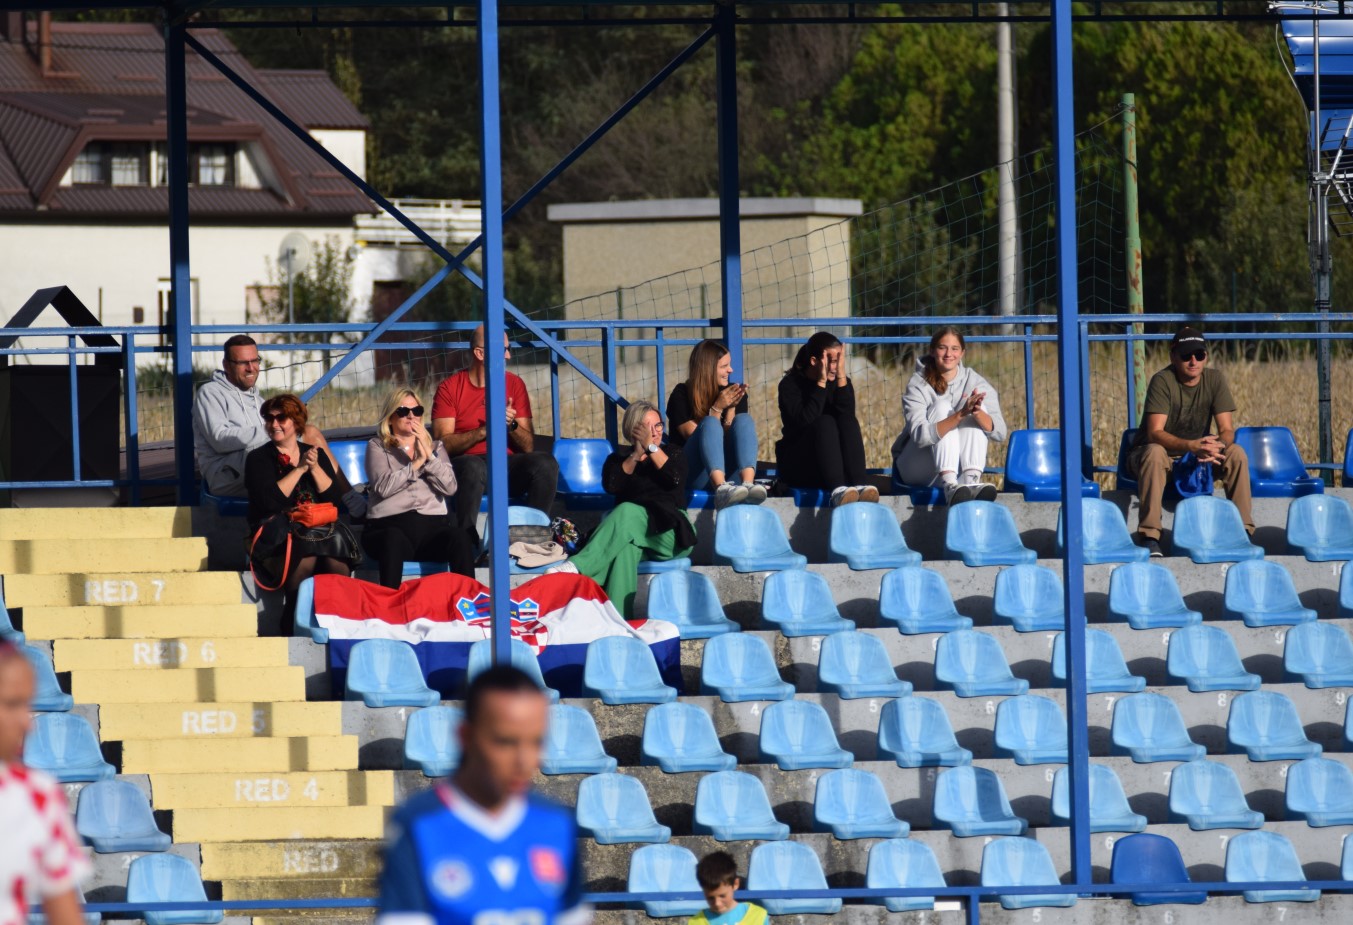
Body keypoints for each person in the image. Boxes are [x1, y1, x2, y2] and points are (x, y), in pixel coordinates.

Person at [377, 665, 589, 925]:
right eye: (505, 741)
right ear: (466, 737)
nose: (524, 760)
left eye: (536, 741)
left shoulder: (557, 824)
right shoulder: (418, 824)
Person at [1126, 327, 1253, 557]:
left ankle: (1243, 532)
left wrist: (1217, 446)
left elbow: (1226, 430)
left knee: (1236, 453)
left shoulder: (1215, 379)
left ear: (1206, 356)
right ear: (1173, 357)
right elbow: (1155, 433)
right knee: (1155, 453)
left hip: (1196, 456)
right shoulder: (1162, 381)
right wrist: (1192, 446)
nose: (1193, 361)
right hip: (1154, 455)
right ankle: (1150, 536)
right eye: (1186, 355)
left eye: (1199, 354)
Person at [560, 400, 695, 617]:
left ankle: (577, 567)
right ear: (633, 430)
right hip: (638, 537)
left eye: (658, 425)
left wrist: (651, 448)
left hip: (671, 533)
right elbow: (613, 485)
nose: (655, 432)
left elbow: (674, 477)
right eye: (647, 427)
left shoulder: (673, 453)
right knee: (624, 550)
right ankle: (618, 620)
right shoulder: (617, 460)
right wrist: (635, 455)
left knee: (626, 510)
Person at [193, 334, 358, 509]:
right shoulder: (210, 393)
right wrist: (274, 430)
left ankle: (341, 504)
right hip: (227, 475)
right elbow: (220, 440)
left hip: (256, 466)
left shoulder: (258, 400)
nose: (251, 368)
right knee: (308, 436)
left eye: (255, 361)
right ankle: (350, 501)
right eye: (243, 363)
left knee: (309, 451)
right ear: (226, 365)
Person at [432, 325, 559, 542]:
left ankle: (534, 537)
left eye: (509, 349)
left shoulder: (514, 384)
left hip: (505, 465)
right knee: (473, 467)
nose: (508, 356)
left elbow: (528, 446)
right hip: (465, 465)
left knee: (545, 464)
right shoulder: (450, 388)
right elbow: (442, 445)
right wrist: (485, 429)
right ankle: (466, 540)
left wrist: (510, 425)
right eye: (503, 350)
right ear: (480, 353)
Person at [244, 393, 357, 631]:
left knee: (333, 543)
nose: (274, 424)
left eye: (281, 418)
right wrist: (300, 469)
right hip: (276, 531)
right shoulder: (258, 459)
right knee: (306, 544)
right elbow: (268, 503)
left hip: (318, 529)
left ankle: (338, 616)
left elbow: (334, 500)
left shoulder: (315, 454)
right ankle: (293, 613)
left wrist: (314, 468)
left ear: (296, 422)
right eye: (269, 418)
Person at [0, 642, 91, 925]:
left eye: (26, 705)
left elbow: (65, 913)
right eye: (12, 704)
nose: (28, 724)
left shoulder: (36, 794)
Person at [362, 388, 477, 588]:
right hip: (389, 527)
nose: (411, 416)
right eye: (403, 411)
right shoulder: (377, 446)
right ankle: (389, 602)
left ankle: (470, 599)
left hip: (431, 530)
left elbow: (450, 487)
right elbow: (383, 487)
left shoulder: (436, 447)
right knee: (392, 538)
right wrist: (416, 464)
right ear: (390, 418)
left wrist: (429, 458)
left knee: (460, 537)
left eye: (417, 411)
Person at [892, 327, 1006, 505]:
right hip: (916, 466)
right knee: (942, 407)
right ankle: (950, 485)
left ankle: (971, 481)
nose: (948, 354)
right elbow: (920, 437)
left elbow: (1000, 433)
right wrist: (959, 415)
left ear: (962, 353)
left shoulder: (975, 381)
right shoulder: (918, 383)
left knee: (978, 409)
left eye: (954, 349)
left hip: (959, 467)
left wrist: (977, 413)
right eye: (942, 348)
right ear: (932, 351)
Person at [775, 331, 877, 507]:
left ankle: (859, 485)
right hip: (801, 465)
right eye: (831, 361)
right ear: (814, 361)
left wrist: (842, 377)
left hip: (833, 465)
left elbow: (847, 416)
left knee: (848, 421)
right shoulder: (790, 385)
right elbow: (804, 421)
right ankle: (838, 491)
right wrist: (821, 384)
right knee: (825, 422)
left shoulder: (840, 381)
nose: (835, 367)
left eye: (838, 361)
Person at [666, 339, 765, 509]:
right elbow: (693, 436)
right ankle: (721, 490)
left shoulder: (732, 391)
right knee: (710, 423)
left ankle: (748, 484)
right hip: (696, 474)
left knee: (744, 420)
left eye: (729, 364)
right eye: (724, 366)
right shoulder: (681, 394)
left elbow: (729, 438)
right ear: (708, 369)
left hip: (729, 474)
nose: (730, 370)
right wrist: (717, 408)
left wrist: (731, 408)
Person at [687, 851, 766, 925]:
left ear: (735, 884)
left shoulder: (758, 916)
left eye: (722, 896)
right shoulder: (696, 922)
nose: (717, 903)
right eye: (710, 898)